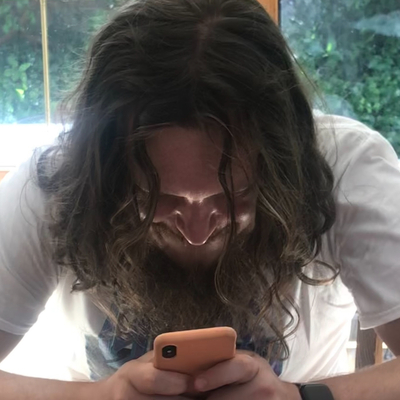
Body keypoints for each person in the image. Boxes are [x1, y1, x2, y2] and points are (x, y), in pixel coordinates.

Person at [0, 0, 400, 399]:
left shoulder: (345, 169)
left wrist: (298, 397)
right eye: (157, 196)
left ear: (282, 165)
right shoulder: (57, 183)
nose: (196, 233)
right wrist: (99, 396)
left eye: (235, 194)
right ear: (108, 174)